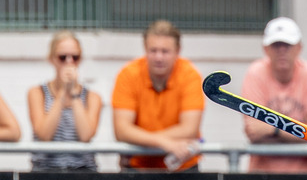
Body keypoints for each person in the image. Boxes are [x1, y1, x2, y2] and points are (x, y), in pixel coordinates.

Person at [111, 20, 204, 171]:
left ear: (178, 51)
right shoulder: (128, 74)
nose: (158, 57)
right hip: (138, 167)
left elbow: (189, 128)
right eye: (153, 51)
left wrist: (143, 138)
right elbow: (121, 130)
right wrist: (163, 142)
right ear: (145, 49)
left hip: (183, 166)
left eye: (165, 51)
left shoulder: (190, 75)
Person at [242, 17, 307, 173]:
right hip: (262, 175)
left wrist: (272, 130)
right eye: (276, 45)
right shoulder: (255, 73)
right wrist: (300, 133)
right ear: (266, 49)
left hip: (306, 176)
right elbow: (253, 132)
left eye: (287, 45)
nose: (282, 51)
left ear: (299, 48)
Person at [27, 31, 104, 171]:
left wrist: (74, 93)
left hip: (83, 171)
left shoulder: (92, 97)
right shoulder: (37, 93)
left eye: (75, 57)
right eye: (63, 57)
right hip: (46, 171)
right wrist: (62, 92)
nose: (69, 62)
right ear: (51, 59)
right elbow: (44, 134)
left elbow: (86, 135)